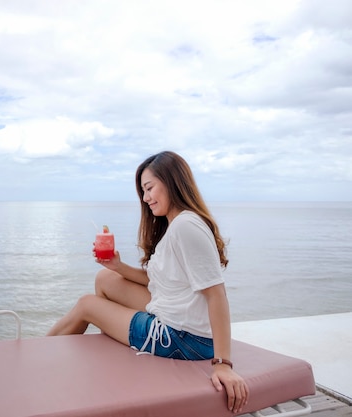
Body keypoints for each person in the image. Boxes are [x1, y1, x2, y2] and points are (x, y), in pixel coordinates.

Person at [47, 151, 249, 414]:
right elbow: (159, 279)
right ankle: (117, 337)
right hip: (176, 314)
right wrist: (117, 267)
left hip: (181, 337)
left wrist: (222, 364)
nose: (145, 198)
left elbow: (217, 294)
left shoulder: (186, 227)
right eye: (143, 191)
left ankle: (37, 354)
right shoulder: (176, 225)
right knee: (106, 278)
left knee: (87, 304)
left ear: (172, 182)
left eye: (150, 188)